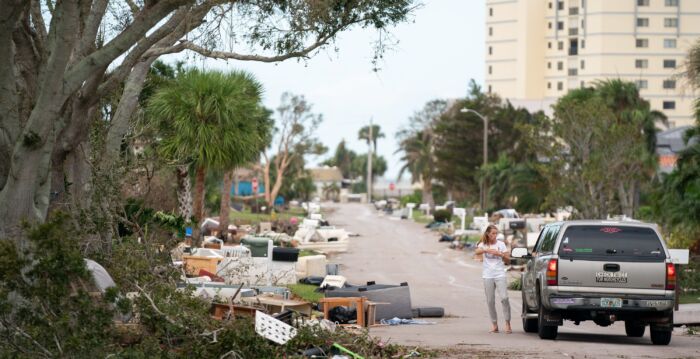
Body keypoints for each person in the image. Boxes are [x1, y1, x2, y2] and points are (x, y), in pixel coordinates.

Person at [474, 224, 512, 333]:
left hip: (500, 274)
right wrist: (486, 250)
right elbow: (476, 252)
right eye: (493, 233)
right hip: (487, 275)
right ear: (488, 234)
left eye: (496, 233)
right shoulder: (483, 244)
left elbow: (508, 260)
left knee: (504, 298)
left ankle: (507, 323)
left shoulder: (501, 244)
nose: (495, 236)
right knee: (490, 301)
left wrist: (500, 254)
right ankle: (494, 325)